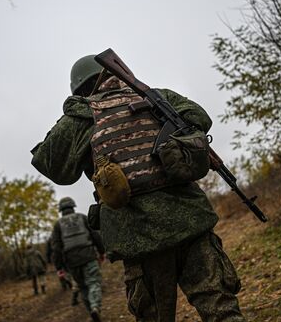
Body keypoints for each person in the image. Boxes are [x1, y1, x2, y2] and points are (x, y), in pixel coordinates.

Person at [31, 53, 247, 322]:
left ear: (79, 88)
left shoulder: (82, 117)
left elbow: (49, 164)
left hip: (137, 238)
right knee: (222, 311)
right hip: (191, 222)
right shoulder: (155, 96)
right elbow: (199, 117)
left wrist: (74, 113)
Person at [50, 197, 105, 322]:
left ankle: (92, 312)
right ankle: (95, 307)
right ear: (73, 206)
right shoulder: (82, 218)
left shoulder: (58, 225)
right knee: (93, 283)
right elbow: (95, 235)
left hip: (72, 262)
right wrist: (102, 252)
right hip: (88, 256)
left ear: (61, 210)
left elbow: (56, 248)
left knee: (82, 287)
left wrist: (59, 268)